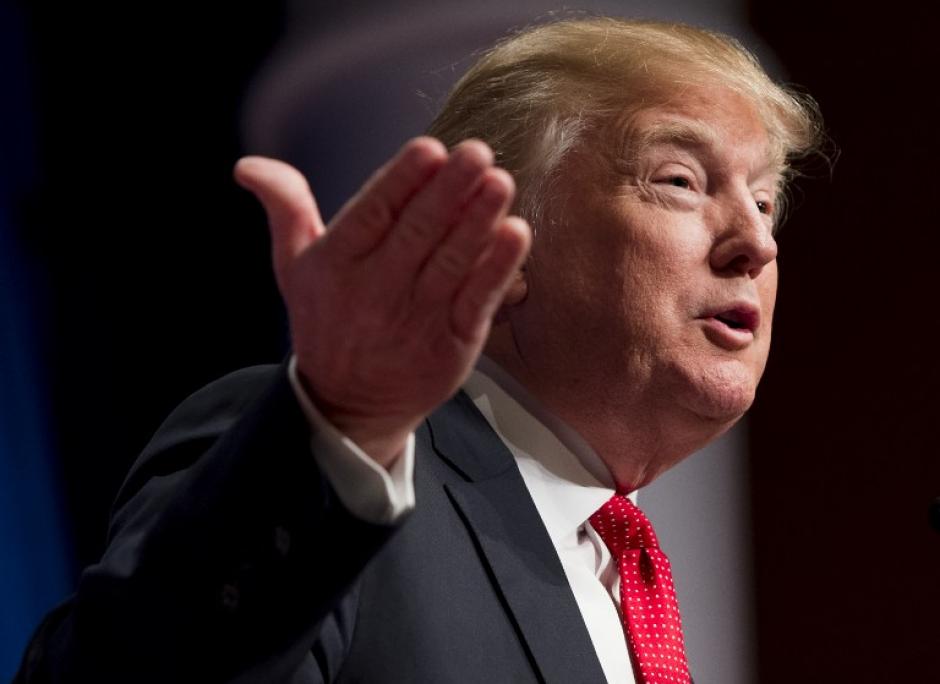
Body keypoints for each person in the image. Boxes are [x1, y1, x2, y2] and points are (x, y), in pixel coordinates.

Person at [16, 17, 822, 684]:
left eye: (763, 201)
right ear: (496, 246)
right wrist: (335, 425)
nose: (756, 241)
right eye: (680, 181)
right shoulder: (331, 474)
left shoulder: (630, 572)